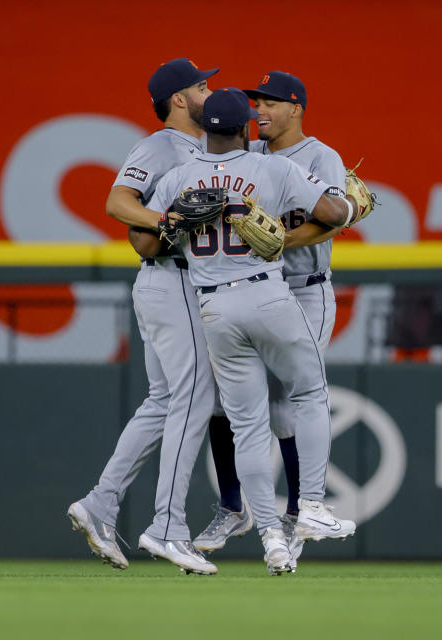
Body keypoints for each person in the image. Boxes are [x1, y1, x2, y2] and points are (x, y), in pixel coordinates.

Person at [146, 88, 358, 575]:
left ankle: (271, 540)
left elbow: (145, 241)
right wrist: (346, 208)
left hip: (213, 307)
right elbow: (332, 213)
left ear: (205, 129)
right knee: (309, 393)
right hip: (268, 291)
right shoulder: (271, 167)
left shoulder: (181, 176)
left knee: (246, 426)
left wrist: (175, 219)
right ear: (245, 128)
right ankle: (309, 508)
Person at [66, 58, 223, 575]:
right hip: (171, 276)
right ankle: (169, 526)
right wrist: (168, 218)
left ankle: (101, 502)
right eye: (202, 86)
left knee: (164, 400)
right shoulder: (160, 144)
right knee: (195, 394)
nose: (210, 91)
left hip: (178, 280)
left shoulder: (202, 148)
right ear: (179, 99)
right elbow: (117, 201)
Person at [193, 72, 347, 563]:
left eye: (271, 103)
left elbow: (335, 216)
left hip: (305, 290)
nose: (260, 110)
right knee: (227, 404)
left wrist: (284, 240)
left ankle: (301, 509)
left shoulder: (321, 157)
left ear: (296, 107)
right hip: (254, 292)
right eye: (256, 103)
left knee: (287, 403)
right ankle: (233, 505)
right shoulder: (251, 157)